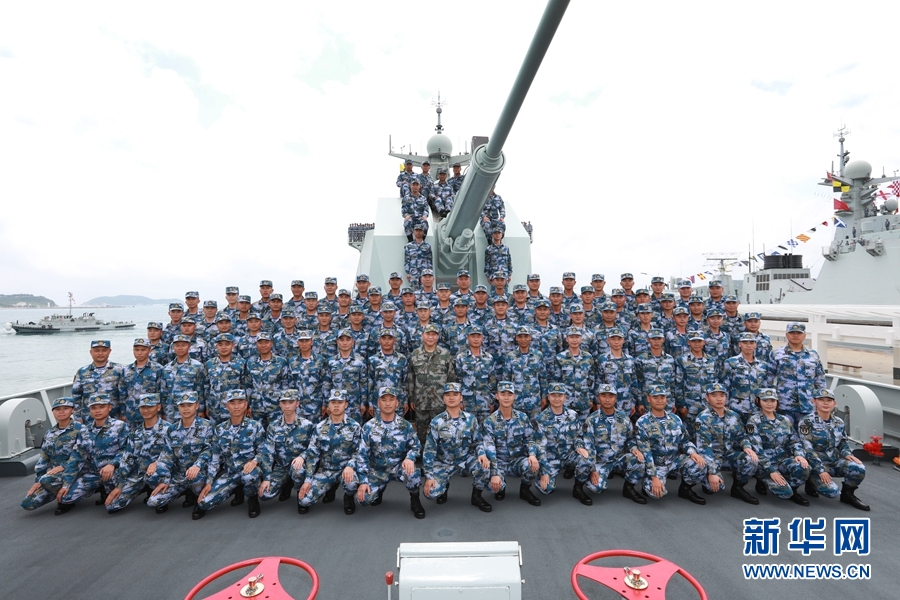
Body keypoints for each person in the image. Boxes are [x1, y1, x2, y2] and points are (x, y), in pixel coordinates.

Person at [350, 386, 425, 519]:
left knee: (412, 473)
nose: (388, 403)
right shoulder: (369, 427)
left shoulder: (405, 425)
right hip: (377, 470)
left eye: (391, 399)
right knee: (363, 499)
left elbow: (415, 446)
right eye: (384, 400)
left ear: (397, 403)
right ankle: (379, 489)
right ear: (378, 403)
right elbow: (362, 455)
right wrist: (363, 481)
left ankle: (415, 499)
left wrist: (410, 458)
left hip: (398, 467)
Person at [422, 383, 492, 512]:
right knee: (430, 492)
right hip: (444, 462)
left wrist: (482, 454)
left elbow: (477, 442)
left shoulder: (471, 419)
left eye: (455, 394)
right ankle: (444, 487)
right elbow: (429, 451)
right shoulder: (436, 422)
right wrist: (429, 476)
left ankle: (476, 496)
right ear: (443, 398)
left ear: (461, 398)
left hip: (465, 460)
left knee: (485, 467)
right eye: (448, 395)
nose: (451, 397)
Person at [195, 389, 265, 519]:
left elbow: (263, 451)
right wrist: (209, 482)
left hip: (248, 470)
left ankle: (252, 498)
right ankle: (236, 489)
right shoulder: (220, 429)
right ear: (227, 406)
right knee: (203, 503)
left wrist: (255, 461)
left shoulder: (255, 426)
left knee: (250, 476)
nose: (236, 406)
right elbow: (215, 458)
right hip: (230, 473)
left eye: (240, 402)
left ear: (245, 405)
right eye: (232, 403)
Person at [574, 384, 646, 505]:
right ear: (599, 398)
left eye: (611, 396)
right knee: (596, 487)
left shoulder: (624, 418)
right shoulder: (592, 420)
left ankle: (628, 488)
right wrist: (593, 469)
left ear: (616, 398)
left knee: (640, 460)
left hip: (619, 458)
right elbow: (589, 446)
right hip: (600, 461)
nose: (607, 399)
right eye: (604, 396)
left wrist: (634, 449)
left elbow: (631, 439)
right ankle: (578, 488)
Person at [633, 386, 707, 504]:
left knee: (699, 464)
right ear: (648, 399)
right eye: (655, 397)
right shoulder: (642, 422)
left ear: (666, 399)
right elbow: (646, 452)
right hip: (657, 464)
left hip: (674, 460)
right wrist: (654, 477)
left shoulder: (675, 419)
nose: (659, 400)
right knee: (656, 494)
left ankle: (685, 489)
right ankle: (647, 483)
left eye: (662, 397)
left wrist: (693, 453)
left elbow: (685, 441)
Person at [798, 389, 869, 510]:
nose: (825, 403)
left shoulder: (838, 422)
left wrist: (847, 454)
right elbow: (807, 448)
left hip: (833, 461)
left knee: (859, 467)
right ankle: (811, 480)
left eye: (829, 400)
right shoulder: (806, 422)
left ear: (834, 403)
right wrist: (820, 470)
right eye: (821, 400)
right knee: (832, 492)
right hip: (815, 464)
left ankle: (848, 494)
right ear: (814, 401)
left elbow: (842, 442)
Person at [146, 391, 213, 515]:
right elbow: (167, 455)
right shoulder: (172, 429)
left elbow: (209, 450)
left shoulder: (207, 426)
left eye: (190, 405)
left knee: (198, 484)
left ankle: (197, 498)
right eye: (182, 405)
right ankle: (184, 492)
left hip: (199, 474)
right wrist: (164, 479)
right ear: (178, 407)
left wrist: (197, 465)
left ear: (197, 406)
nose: (186, 409)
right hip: (178, 475)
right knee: (153, 502)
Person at [297, 390, 362, 515]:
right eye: (333, 402)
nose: (336, 405)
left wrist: (350, 466)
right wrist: (308, 480)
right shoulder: (320, 427)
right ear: (328, 405)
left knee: (352, 483)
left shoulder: (354, 427)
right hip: (326, 470)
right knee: (303, 501)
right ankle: (330, 487)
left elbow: (358, 452)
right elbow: (312, 455)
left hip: (345, 470)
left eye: (340, 402)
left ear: (346, 404)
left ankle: (348, 497)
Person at [105, 393, 173, 514]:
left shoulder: (169, 429)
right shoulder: (135, 433)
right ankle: (142, 488)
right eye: (143, 407)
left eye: (150, 406)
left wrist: (158, 463)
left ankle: (161, 495)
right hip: (139, 473)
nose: (146, 410)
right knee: (112, 505)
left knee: (154, 485)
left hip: (160, 473)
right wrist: (119, 486)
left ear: (158, 407)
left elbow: (174, 455)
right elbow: (128, 458)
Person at [693, 383, 760, 505]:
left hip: (729, 455)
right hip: (712, 457)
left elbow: (742, 436)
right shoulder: (702, 418)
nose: (719, 399)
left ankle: (738, 487)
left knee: (751, 459)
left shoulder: (733, 416)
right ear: (707, 398)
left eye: (722, 395)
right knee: (715, 487)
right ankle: (707, 480)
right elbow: (704, 449)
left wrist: (746, 446)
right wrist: (712, 472)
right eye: (714, 395)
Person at [60, 393, 128, 510]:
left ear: (109, 407)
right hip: (95, 473)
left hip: (115, 472)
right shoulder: (85, 431)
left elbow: (127, 450)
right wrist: (66, 484)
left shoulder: (120, 426)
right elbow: (76, 457)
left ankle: (123, 488)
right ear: (89, 410)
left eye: (101, 407)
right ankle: (99, 488)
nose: (97, 411)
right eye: (94, 408)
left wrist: (112, 464)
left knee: (112, 506)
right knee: (65, 498)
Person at [744, 389, 811, 505]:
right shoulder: (754, 421)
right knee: (785, 492)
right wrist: (771, 470)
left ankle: (793, 489)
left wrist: (799, 454)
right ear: (759, 401)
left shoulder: (784, 420)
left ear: (777, 402)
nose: (769, 404)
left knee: (804, 467)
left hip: (782, 460)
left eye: (772, 401)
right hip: (764, 464)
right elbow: (757, 449)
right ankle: (763, 480)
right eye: (765, 401)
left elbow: (794, 441)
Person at [20, 397, 86, 514]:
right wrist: (37, 480)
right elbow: (44, 457)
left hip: (78, 470)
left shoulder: (81, 429)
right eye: (57, 409)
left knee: (49, 482)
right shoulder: (49, 433)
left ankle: (68, 498)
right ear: (53, 412)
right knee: (28, 503)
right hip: (57, 475)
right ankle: (61, 490)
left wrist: (63, 466)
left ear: (72, 410)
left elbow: (82, 455)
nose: (61, 412)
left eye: (65, 408)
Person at [482, 382, 542, 507]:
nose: (506, 397)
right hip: (499, 462)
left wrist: (532, 454)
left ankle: (525, 489)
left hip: (517, 461)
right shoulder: (489, 421)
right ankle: (501, 486)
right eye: (502, 394)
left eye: (509, 394)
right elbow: (489, 449)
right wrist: (495, 473)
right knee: (493, 486)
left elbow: (530, 439)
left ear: (514, 396)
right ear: (497, 396)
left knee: (533, 465)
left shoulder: (522, 417)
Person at [257, 390, 314, 506]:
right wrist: (266, 478)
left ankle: (299, 491)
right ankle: (287, 483)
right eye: (284, 402)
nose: (287, 406)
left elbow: (313, 448)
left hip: (298, 466)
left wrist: (302, 457)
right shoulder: (273, 426)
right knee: (264, 494)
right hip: (281, 466)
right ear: (280, 404)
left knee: (298, 471)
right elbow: (268, 452)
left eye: (291, 402)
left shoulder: (307, 425)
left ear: (297, 403)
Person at [408, 324, 456, 446]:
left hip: (440, 402)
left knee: (441, 433)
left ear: (438, 337)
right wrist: (411, 398)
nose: (430, 337)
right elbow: (411, 378)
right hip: (421, 402)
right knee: (422, 434)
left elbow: (451, 378)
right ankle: (423, 456)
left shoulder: (445, 354)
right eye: (428, 334)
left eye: (433, 334)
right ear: (422, 336)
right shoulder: (415, 354)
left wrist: (451, 399)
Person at [771, 322, 826, 427]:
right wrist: (770, 401)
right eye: (792, 333)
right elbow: (768, 379)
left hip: (808, 405)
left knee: (807, 433)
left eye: (799, 333)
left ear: (804, 335)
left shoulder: (813, 355)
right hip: (784, 405)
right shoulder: (777, 354)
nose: (795, 335)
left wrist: (821, 400)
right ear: (786, 335)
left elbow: (820, 380)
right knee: (785, 433)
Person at [533, 383, 581, 499]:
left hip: (569, 455)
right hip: (551, 458)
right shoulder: (541, 418)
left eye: (560, 395)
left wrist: (579, 446)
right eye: (553, 395)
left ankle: (578, 488)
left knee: (587, 460)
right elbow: (540, 447)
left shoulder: (573, 415)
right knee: (546, 488)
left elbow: (579, 436)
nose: (557, 398)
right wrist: (544, 471)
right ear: (548, 397)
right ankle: (543, 477)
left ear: (565, 397)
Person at [673, 331, 718, 437]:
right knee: (690, 435)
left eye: (699, 341)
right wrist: (682, 405)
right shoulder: (682, 360)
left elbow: (715, 384)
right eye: (694, 341)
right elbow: (678, 384)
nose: (697, 344)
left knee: (708, 434)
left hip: (708, 406)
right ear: (689, 342)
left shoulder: (711, 360)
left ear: (704, 342)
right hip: (690, 405)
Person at [721, 332, 773, 421]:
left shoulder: (763, 365)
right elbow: (726, 385)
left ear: (755, 345)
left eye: (751, 343)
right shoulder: (731, 362)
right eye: (745, 342)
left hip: (757, 409)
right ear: (739, 344)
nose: (748, 345)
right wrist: (725, 405)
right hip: (736, 408)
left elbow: (766, 387)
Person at [72, 340, 125, 421]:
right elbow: (76, 396)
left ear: (109, 351)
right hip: (89, 418)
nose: (100, 353)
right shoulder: (82, 372)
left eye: (104, 350)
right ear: (91, 352)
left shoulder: (119, 369)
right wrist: (78, 417)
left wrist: (124, 413)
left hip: (114, 417)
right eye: (97, 351)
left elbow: (124, 393)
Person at [501, 326, 547, 420]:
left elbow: (543, 378)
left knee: (535, 426)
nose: (523, 339)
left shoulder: (538, 355)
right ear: (516, 338)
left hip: (534, 401)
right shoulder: (510, 356)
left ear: (530, 337)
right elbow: (506, 379)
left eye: (526, 336)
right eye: (520, 337)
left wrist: (544, 397)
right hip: (516, 401)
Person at [246, 332, 290, 428]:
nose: (263, 345)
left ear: (271, 343)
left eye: (266, 342)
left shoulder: (281, 362)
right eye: (260, 342)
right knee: (257, 432)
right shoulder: (251, 362)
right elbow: (248, 385)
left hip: (276, 407)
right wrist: (248, 405)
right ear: (256, 344)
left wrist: (285, 404)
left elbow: (285, 384)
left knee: (276, 431)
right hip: (257, 407)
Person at [454, 327, 497, 424]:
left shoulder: (488, 358)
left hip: (484, 403)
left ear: (482, 338)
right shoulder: (461, 358)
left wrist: (491, 402)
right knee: (467, 429)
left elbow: (492, 381)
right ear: (468, 338)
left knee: (484, 429)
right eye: (473, 336)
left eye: (478, 336)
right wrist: (459, 401)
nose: (476, 339)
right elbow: (457, 380)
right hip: (467, 404)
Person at [204, 333, 249, 424]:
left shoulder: (241, 363)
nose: (223, 347)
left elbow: (246, 386)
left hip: (235, 410)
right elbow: (206, 387)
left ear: (233, 345)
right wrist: (206, 406)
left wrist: (246, 406)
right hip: (215, 409)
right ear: (216, 346)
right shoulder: (209, 364)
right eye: (220, 345)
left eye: (227, 344)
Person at [161, 334, 208, 421]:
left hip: (190, 410)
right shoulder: (166, 368)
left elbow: (201, 390)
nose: (180, 348)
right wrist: (163, 411)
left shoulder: (198, 367)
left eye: (183, 345)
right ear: (173, 347)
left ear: (189, 346)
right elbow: (164, 391)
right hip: (171, 410)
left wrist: (201, 409)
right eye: (177, 345)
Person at [554, 328, 595, 423]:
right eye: (571, 337)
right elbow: (556, 380)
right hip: (566, 402)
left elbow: (591, 379)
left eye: (577, 337)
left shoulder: (588, 357)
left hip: (583, 401)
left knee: (583, 427)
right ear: (567, 339)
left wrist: (591, 398)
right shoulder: (560, 357)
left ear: (581, 338)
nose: (574, 340)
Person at [121, 337, 165, 425]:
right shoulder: (126, 370)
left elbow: (162, 393)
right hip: (131, 414)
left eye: (143, 350)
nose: (139, 353)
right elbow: (122, 393)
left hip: (151, 414)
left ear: (149, 350)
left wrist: (162, 412)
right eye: (137, 350)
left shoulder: (158, 369)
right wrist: (122, 413)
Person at [287, 330, 329, 421]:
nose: (304, 344)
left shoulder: (320, 360)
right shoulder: (292, 362)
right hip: (298, 407)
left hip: (315, 406)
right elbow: (290, 385)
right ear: (298, 343)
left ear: (311, 342)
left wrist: (325, 404)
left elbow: (325, 383)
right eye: (301, 341)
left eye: (307, 341)